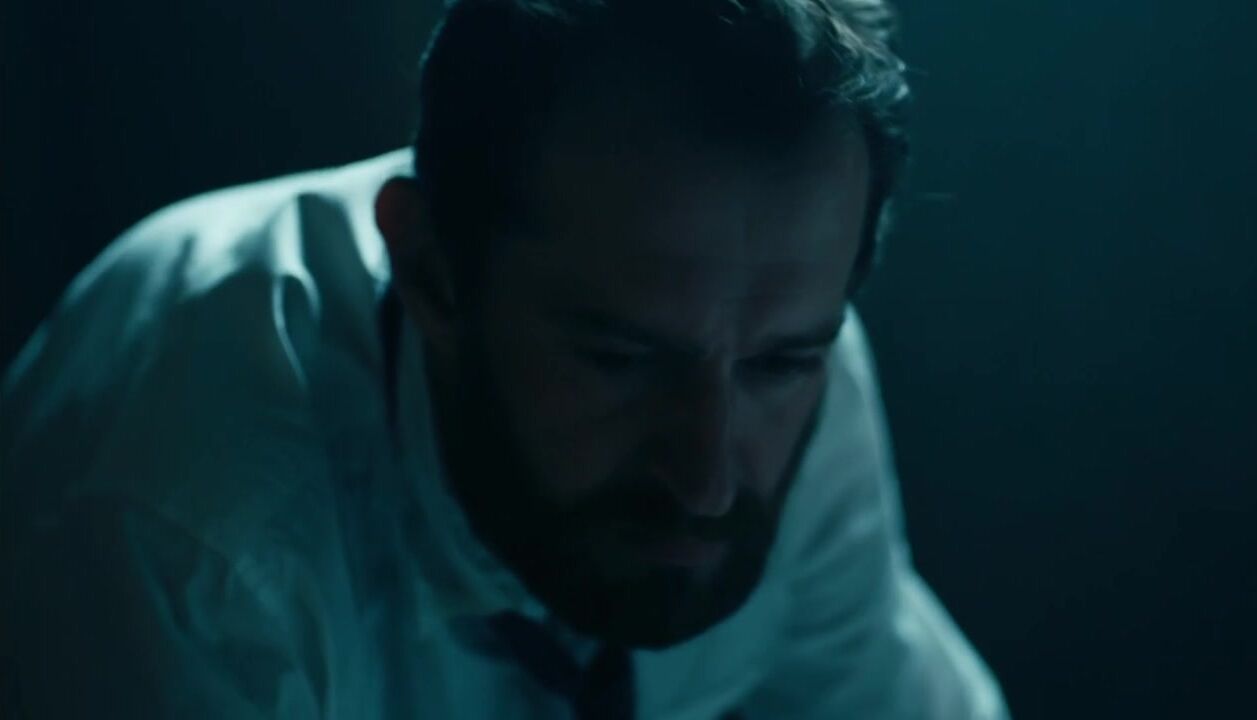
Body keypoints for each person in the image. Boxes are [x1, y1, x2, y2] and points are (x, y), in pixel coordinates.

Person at [0, 0, 1009, 717]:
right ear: (431, 271)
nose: (705, 479)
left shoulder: (773, 352)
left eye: (781, 364)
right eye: (618, 360)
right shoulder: (185, 531)